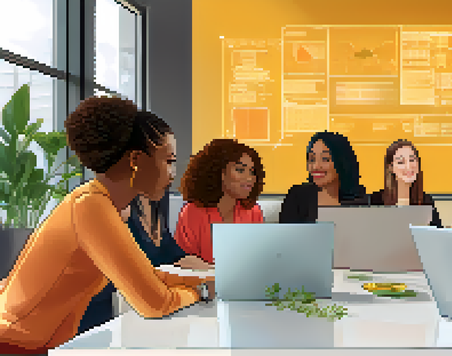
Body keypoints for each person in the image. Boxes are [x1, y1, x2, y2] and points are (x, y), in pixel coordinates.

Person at [0, 97, 208, 353]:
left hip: (40, 343)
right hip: (14, 344)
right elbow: (156, 303)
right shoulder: (91, 208)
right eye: (169, 161)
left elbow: (143, 276)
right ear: (135, 160)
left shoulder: (96, 202)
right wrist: (198, 293)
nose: (173, 174)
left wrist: (207, 278)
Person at [78, 187, 188, 334]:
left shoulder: (158, 206)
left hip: (135, 307)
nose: (171, 172)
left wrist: (213, 272)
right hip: (106, 308)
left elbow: (175, 255)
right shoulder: (119, 202)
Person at [174, 139, 265, 267]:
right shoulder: (192, 212)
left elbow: (259, 261)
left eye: (252, 172)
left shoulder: (253, 211)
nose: (249, 178)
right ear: (219, 172)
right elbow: (183, 261)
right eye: (240, 170)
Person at [279, 131, 368, 223]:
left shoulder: (359, 199)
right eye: (312, 159)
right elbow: (287, 235)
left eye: (325, 159)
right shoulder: (297, 197)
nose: (316, 166)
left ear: (341, 162)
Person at [369, 139, 441, 227]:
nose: (408, 166)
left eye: (412, 160)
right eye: (401, 162)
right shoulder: (376, 200)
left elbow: (436, 235)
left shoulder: (426, 201)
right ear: (391, 168)